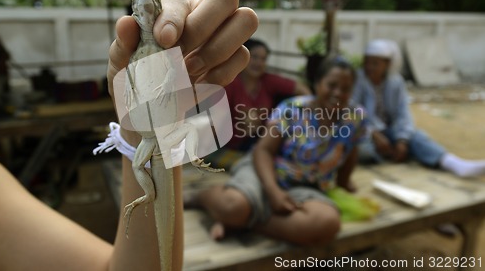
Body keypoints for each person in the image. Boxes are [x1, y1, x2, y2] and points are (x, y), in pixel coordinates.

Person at [0, 0, 258, 271]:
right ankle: (152, 191)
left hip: (154, 133)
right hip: (151, 141)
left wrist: (135, 124)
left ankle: (186, 170)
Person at [190, 58, 366, 245]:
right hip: (265, 171)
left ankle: (242, 221)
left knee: (328, 223)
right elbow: (263, 151)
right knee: (233, 206)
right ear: (317, 83)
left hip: (308, 185)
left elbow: (350, 150)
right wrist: (273, 192)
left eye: (346, 89)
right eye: (332, 85)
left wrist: (343, 183)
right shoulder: (293, 109)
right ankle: (201, 198)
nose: (338, 93)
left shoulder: (355, 117)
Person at [352, 39, 485, 178]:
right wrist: (374, 134)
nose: (369, 67)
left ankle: (454, 164)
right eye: (367, 62)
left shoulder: (396, 82)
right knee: (362, 150)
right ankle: (390, 154)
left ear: (388, 64)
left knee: (417, 137)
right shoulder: (358, 80)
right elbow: (354, 111)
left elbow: (403, 113)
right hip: (365, 132)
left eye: (375, 63)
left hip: (390, 131)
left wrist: (402, 140)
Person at [210, 38, 311, 168]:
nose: (259, 63)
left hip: (264, 139)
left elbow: (302, 89)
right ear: (243, 58)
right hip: (235, 144)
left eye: (263, 59)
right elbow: (215, 120)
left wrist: (308, 115)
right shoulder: (231, 84)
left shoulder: (268, 81)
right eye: (255, 57)